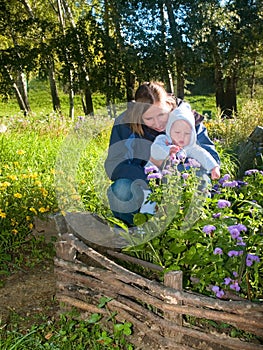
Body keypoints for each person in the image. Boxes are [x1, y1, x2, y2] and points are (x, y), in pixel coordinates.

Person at [104, 81, 220, 227]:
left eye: (161, 115)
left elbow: (210, 155)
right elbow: (114, 164)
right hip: (142, 181)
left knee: (200, 178)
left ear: (169, 106)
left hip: (180, 179)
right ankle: (134, 229)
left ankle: (189, 229)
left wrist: (174, 171)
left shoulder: (186, 118)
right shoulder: (125, 122)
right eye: (149, 119)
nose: (158, 124)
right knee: (121, 190)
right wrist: (149, 178)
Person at [146, 103, 221, 180]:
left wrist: (214, 167)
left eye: (187, 133)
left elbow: (203, 155)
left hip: (173, 178)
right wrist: (168, 150)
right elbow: (155, 149)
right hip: (153, 174)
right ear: (169, 130)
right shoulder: (163, 139)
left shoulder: (190, 147)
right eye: (177, 132)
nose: (182, 137)